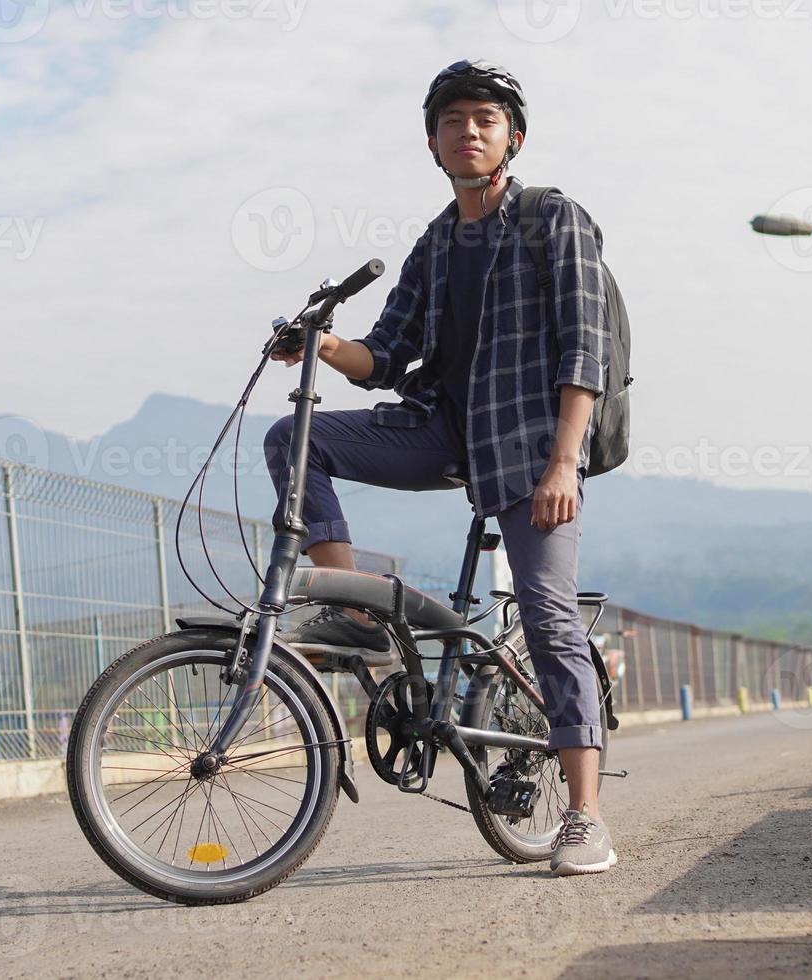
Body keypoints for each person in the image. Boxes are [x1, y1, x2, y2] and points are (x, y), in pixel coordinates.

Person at [264, 60, 615, 877]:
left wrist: (566, 461)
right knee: (294, 439)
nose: (469, 131)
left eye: (485, 120)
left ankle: (586, 817)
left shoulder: (551, 219)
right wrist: (319, 343)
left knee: (547, 611)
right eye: (453, 121)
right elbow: (386, 356)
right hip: (442, 431)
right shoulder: (435, 240)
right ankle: (355, 614)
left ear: (512, 138)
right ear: (433, 142)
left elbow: (584, 347)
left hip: (531, 450)